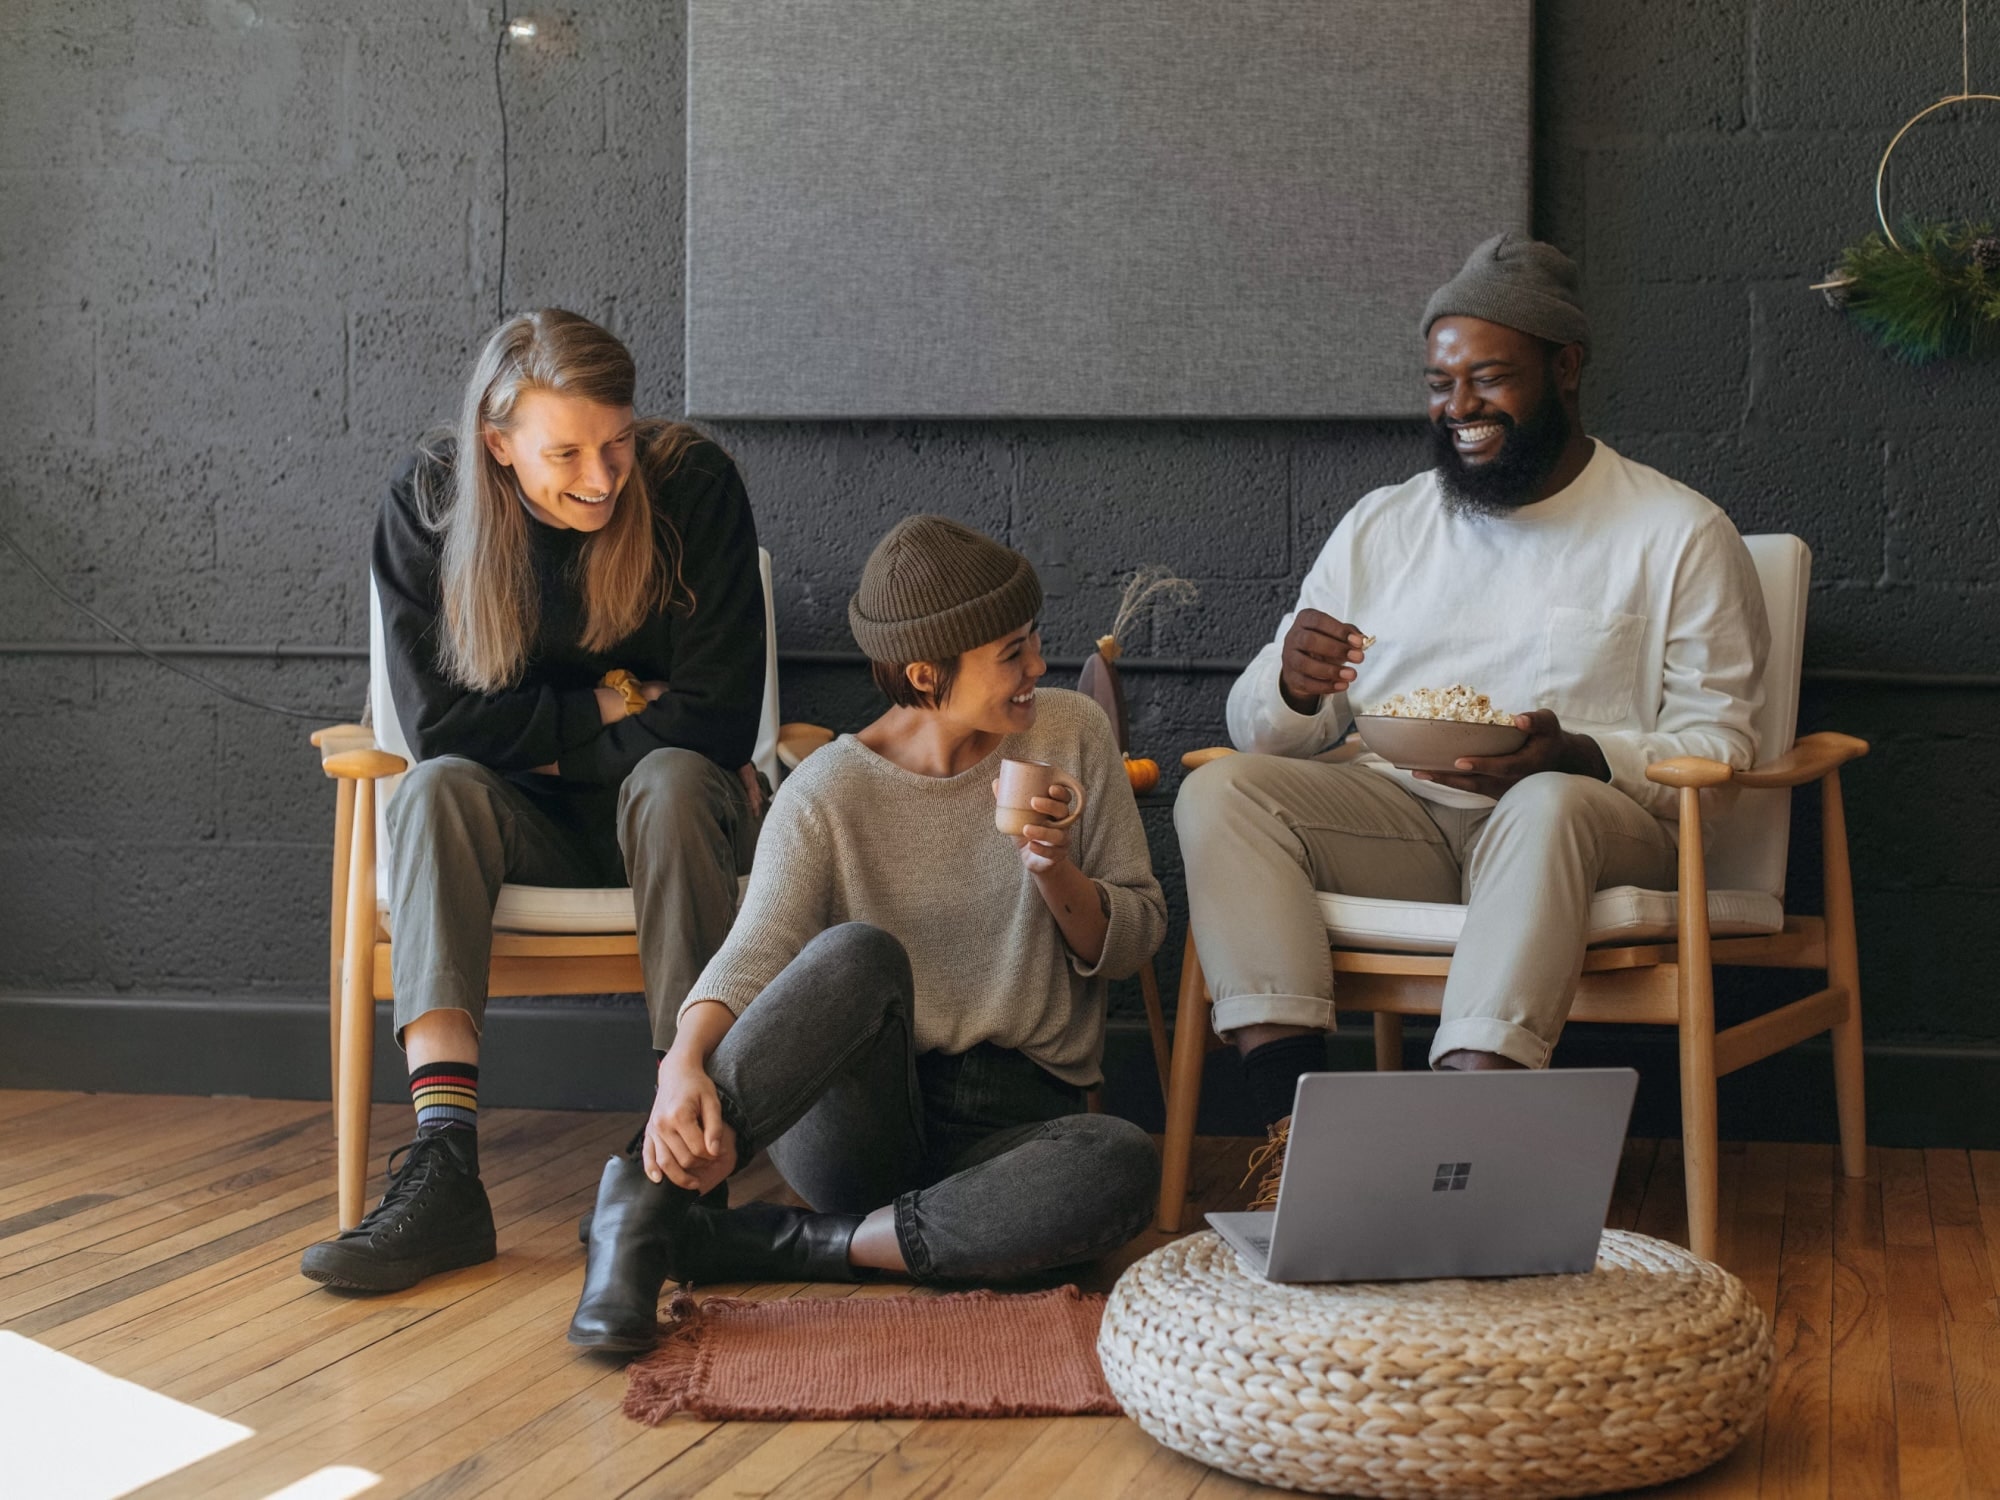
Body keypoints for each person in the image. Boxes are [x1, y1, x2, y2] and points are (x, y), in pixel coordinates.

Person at [1175, 233, 1770, 1201]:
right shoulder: (1384, 524)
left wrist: (1579, 753)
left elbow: (1720, 746)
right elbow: (1268, 734)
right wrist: (1292, 684)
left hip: (1587, 828)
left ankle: (1458, 1148)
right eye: (1437, 382)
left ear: (1565, 368)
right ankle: (1298, 1146)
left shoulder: (1674, 533)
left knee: (1543, 802)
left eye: (1488, 378)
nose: (1457, 408)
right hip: (1400, 817)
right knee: (1223, 791)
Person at [567, 515, 1166, 1352]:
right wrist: (680, 1066)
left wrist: (1054, 868)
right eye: (1010, 655)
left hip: (1017, 1128)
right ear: (927, 672)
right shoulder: (827, 791)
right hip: (862, 1123)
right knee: (855, 953)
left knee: (1122, 1163)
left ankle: (793, 1244)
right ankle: (644, 1203)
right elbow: (756, 949)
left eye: (1033, 641)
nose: (1036, 667)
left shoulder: (1070, 733)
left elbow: (1136, 938)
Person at [299, 309, 767, 1292]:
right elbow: (437, 731)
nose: (602, 478)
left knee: (676, 779)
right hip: (517, 833)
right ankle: (445, 1167)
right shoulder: (428, 503)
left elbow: (718, 725)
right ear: (496, 443)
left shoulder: (693, 486)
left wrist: (537, 735)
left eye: (617, 443)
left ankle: (680, 1157)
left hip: (679, 823)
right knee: (431, 793)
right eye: (566, 453)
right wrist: (618, 702)